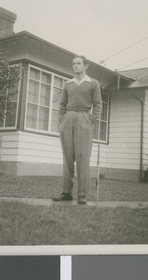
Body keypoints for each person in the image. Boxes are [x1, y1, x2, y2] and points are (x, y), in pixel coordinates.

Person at [53, 55, 102, 205]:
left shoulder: (93, 83)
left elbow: (98, 104)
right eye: (73, 64)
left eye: (78, 63)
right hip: (68, 120)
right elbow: (62, 104)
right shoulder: (68, 84)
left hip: (84, 120)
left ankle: (82, 195)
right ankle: (66, 192)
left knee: (82, 158)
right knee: (67, 158)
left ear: (85, 66)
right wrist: (62, 120)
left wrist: (90, 120)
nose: (75, 66)